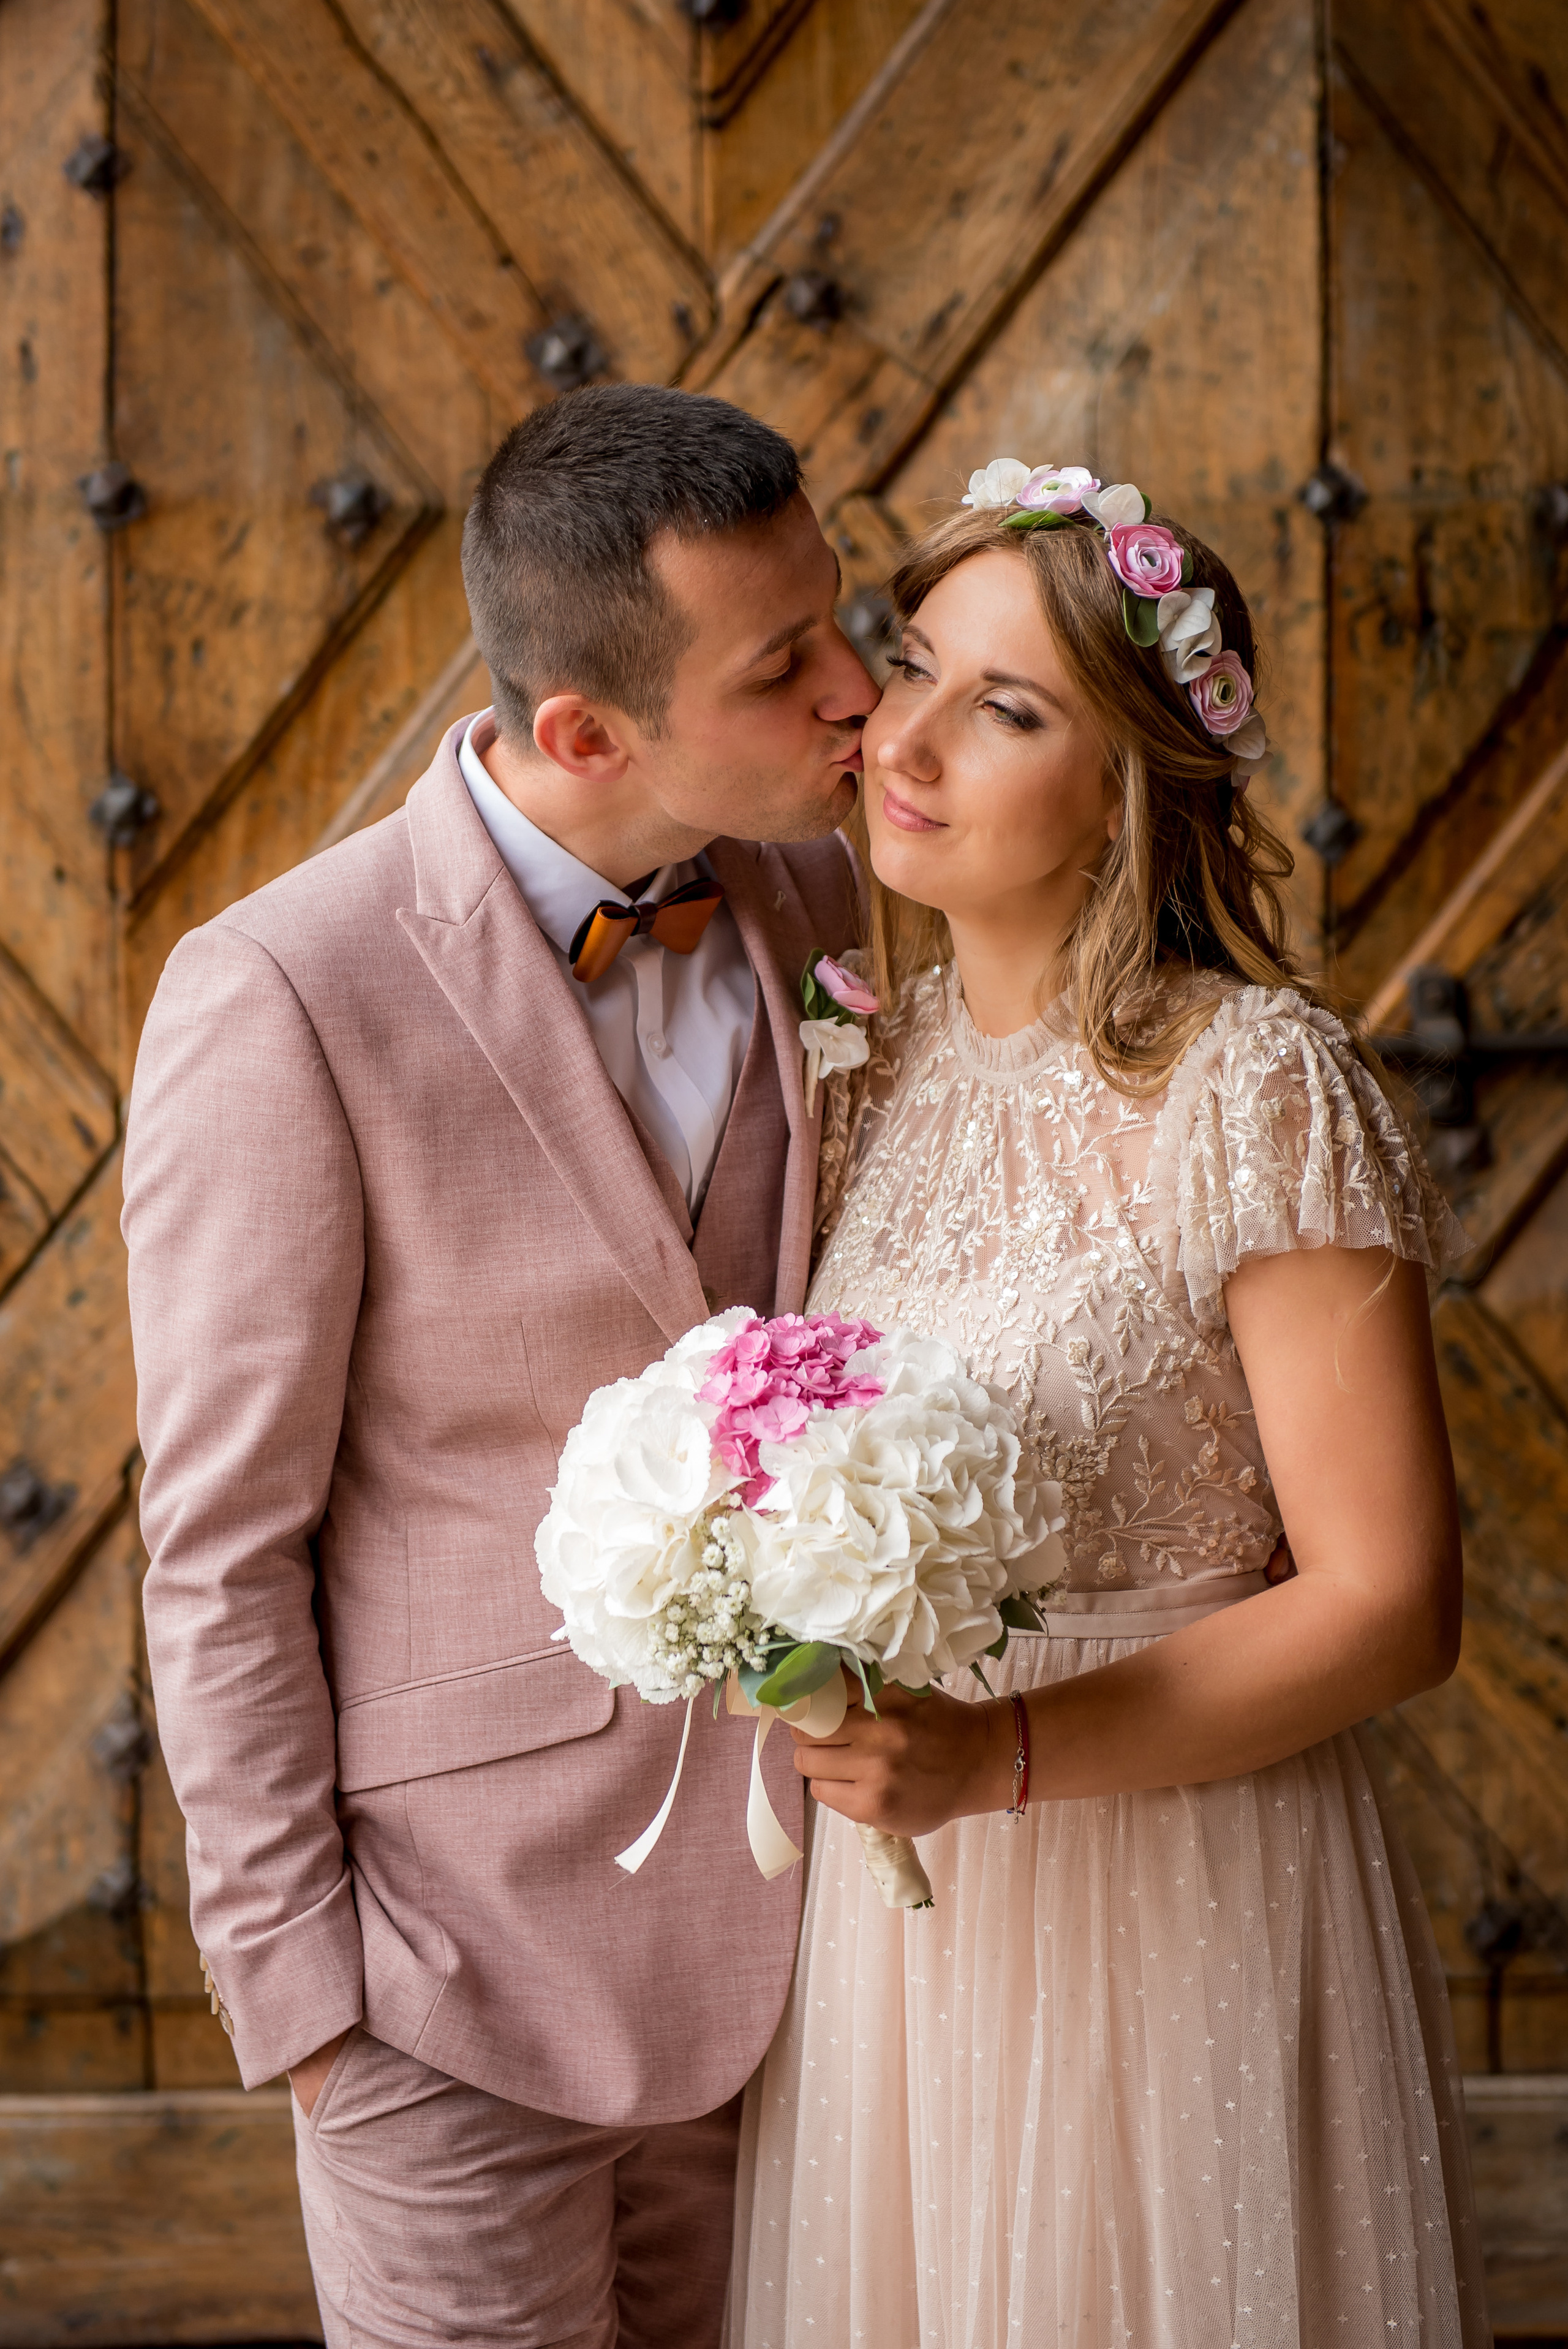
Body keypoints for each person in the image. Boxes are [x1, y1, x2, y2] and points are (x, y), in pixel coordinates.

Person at [123, 384, 875, 2349]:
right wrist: (307, 1999)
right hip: (446, 1976)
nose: (859, 691)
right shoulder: (284, 989)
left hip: (804, 1948)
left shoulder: (831, 897)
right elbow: (222, 1543)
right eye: (784, 663)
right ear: (584, 733)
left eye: (841, 621)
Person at [726, 467, 1488, 2346]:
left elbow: (1395, 1599)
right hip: (914, 1932)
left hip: (1177, 1886)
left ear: (1129, 779)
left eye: (1007, 708)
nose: (904, 736)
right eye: (912, 664)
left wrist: (1001, 1759)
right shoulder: (867, 1072)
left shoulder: (1257, 1084)